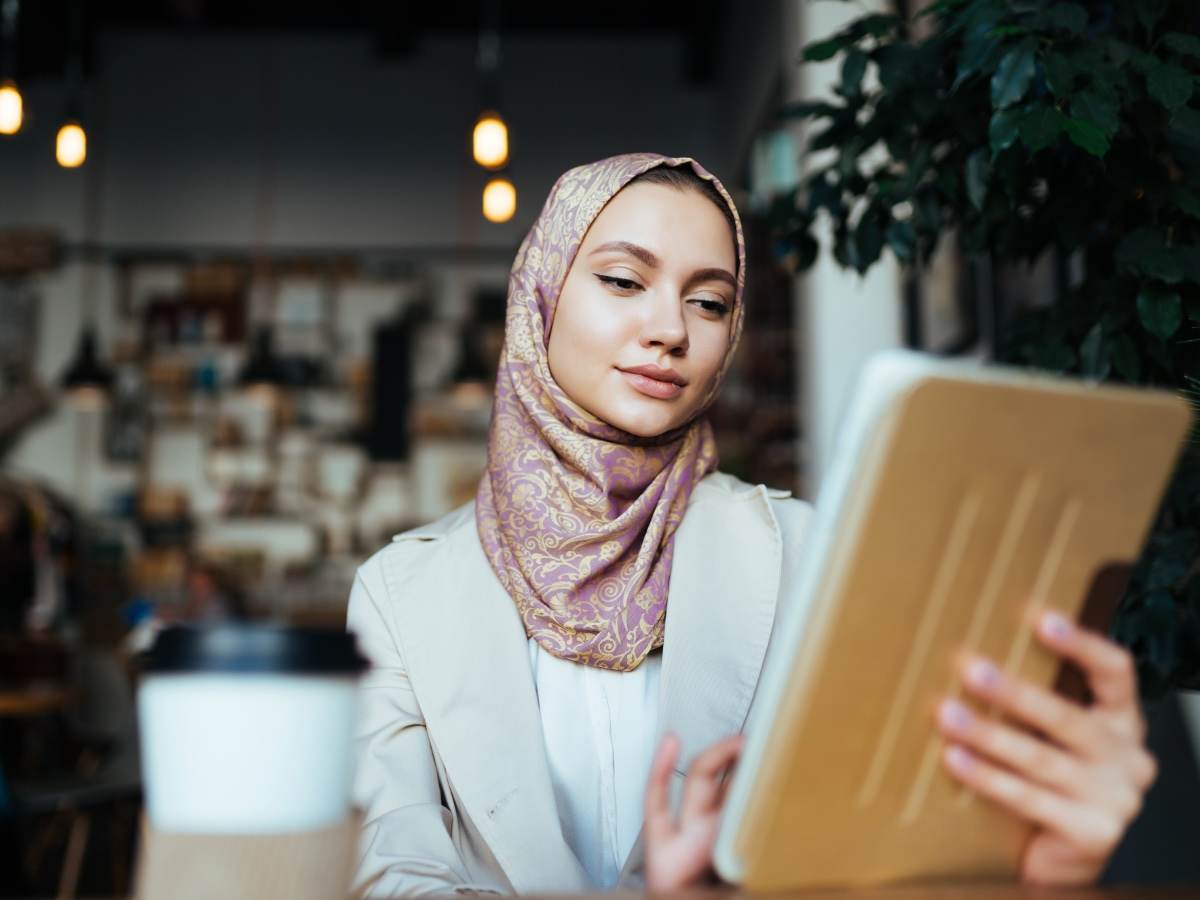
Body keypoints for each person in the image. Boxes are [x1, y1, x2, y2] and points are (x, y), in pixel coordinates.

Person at [346, 153, 1156, 897]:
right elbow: (393, 873)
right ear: (541, 294)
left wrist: (1033, 865)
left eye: (709, 301)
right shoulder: (400, 592)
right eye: (625, 281)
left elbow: (882, 857)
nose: (670, 330)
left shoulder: (808, 553)